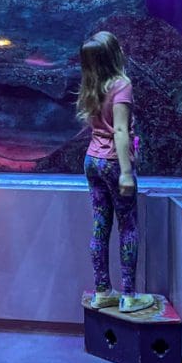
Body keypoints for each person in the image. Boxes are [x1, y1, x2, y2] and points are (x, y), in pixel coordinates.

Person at [76, 31, 155, 313]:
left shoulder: (91, 83)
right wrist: (125, 172)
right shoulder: (122, 85)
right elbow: (120, 131)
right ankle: (129, 296)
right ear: (114, 55)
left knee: (100, 225)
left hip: (92, 161)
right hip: (112, 162)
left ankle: (102, 291)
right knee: (128, 226)